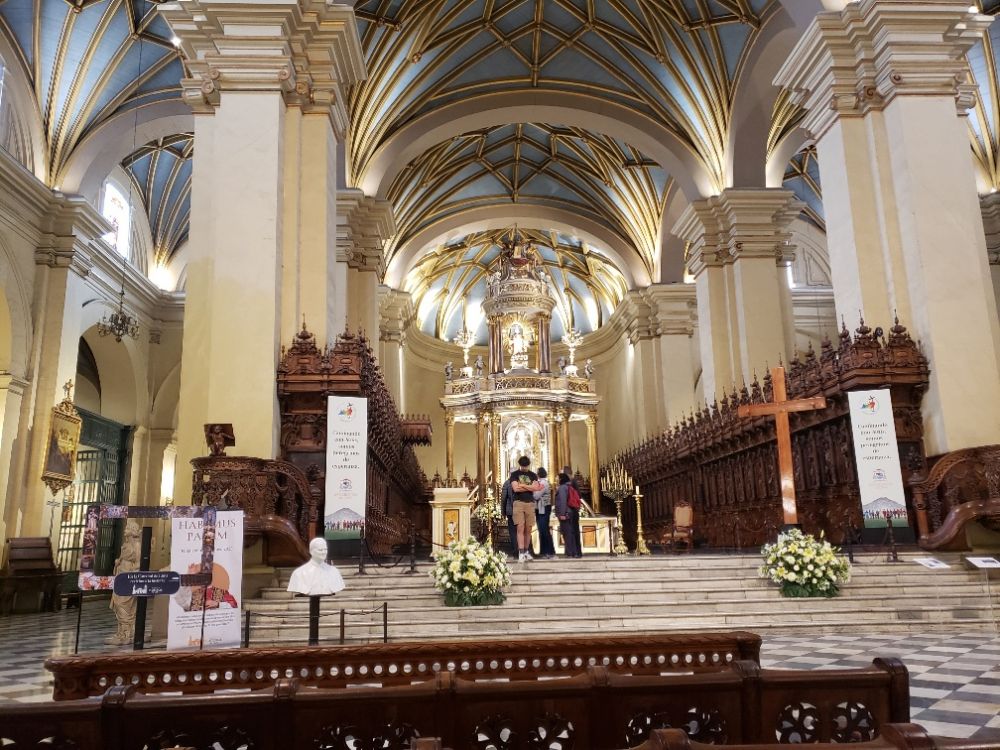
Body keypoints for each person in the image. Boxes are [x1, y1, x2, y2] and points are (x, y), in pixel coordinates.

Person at [510, 456, 543, 562]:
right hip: (518, 503)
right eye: (523, 466)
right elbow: (516, 489)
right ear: (519, 465)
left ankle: (526, 551)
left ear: (529, 465)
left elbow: (536, 488)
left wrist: (522, 485)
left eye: (526, 466)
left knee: (528, 528)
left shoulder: (533, 475)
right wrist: (529, 487)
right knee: (520, 527)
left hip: (530, 503)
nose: (524, 468)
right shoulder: (514, 474)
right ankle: (521, 552)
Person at [555, 472, 582, 558]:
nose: (556, 480)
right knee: (570, 532)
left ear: (561, 479)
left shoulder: (562, 488)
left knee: (567, 533)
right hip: (571, 512)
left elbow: (563, 501)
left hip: (566, 513)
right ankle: (573, 552)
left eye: (557, 478)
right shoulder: (569, 486)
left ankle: (570, 553)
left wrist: (562, 514)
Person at [533, 467, 555, 559]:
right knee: (541, 530)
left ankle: (549, 552)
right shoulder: (541, 482)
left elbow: (536, 496)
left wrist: (532, 489)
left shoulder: (543, 483)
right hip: (540, 508)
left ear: (539, 474)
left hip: (544, 509)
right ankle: (543, 551)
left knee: (544, 530)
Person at [501, 477, 517, 559]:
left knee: (513, 532)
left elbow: (503, 498)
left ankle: (515, 552)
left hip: (511, 511)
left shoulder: (507, 483)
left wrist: (503, 512)